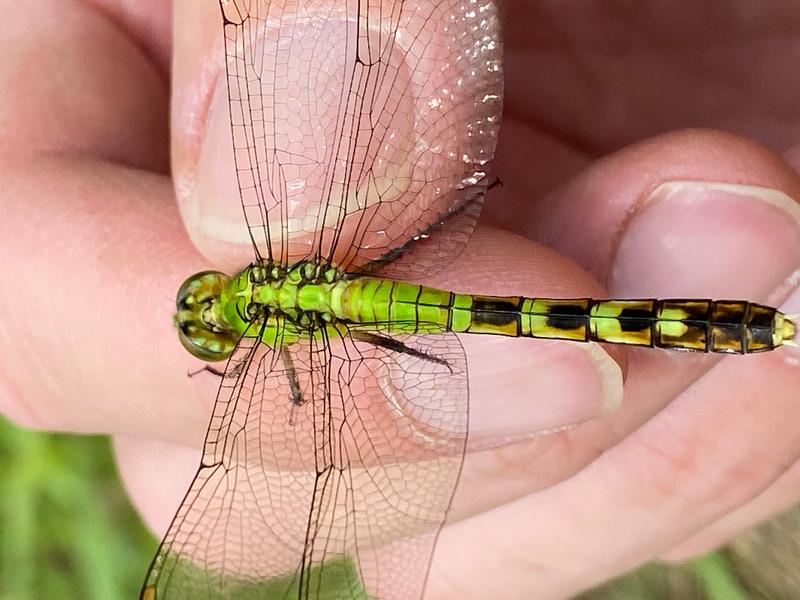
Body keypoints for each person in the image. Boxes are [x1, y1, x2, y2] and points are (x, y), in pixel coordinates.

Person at [1, 1, 799, 598]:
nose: (218, 311)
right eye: (212, 320)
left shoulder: (278, 313)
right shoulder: (282, 257)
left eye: (210, 313)